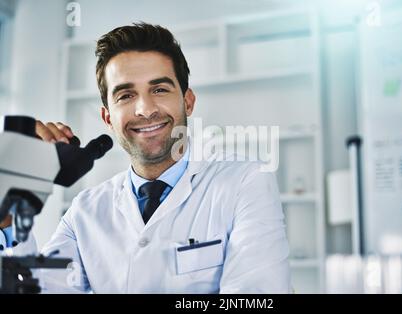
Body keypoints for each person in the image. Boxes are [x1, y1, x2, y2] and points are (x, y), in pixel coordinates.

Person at [0, 22, 291, 293]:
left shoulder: (244, 181)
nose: (145, 109)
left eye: (159, 89)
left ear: (187, 101)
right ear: (107, 117)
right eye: (125, 95)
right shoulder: (85, 212)